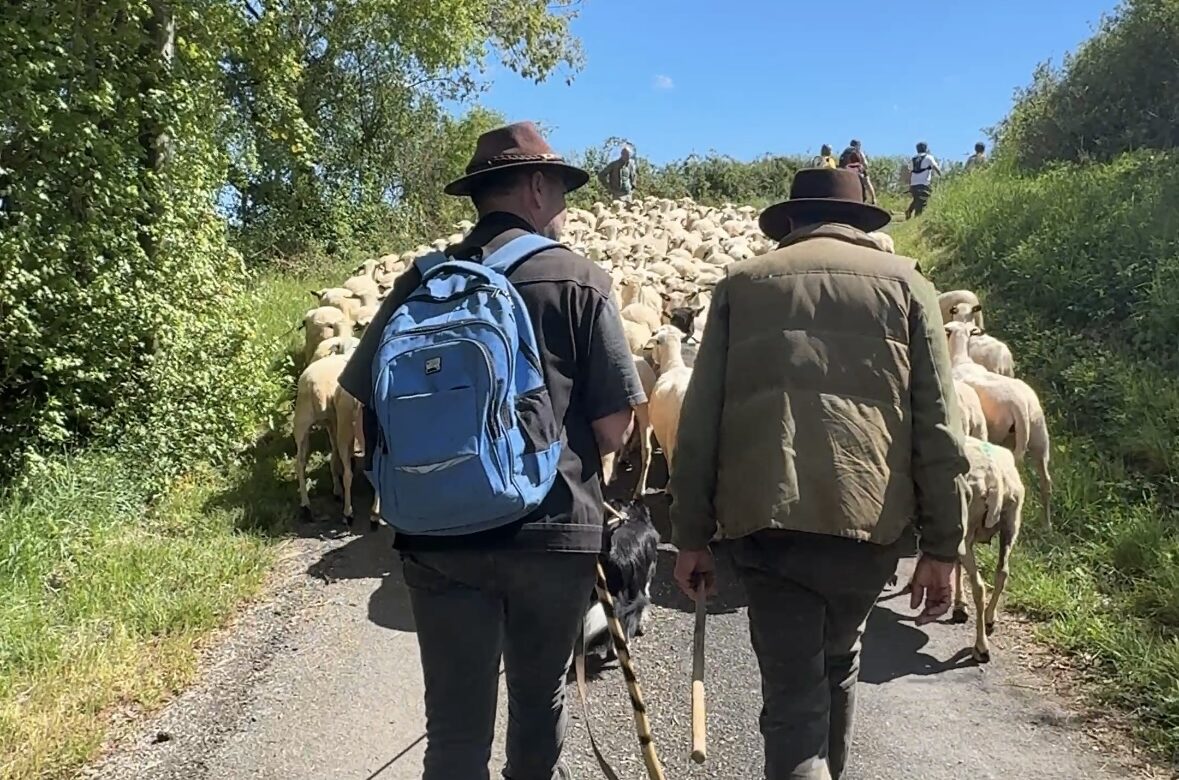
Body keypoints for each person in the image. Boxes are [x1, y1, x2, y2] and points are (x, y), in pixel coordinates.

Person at [338, 121, 646, 780]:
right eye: (558, 190)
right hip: (553, 531)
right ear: (534, 187)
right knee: (538, 705)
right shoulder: (580, 279)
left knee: (453, 727)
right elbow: (617, 428)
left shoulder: (419, 284)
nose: (562, 207)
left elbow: (369, 412)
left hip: (437, 537)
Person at [668, 166, 969, 780]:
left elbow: (698, 424)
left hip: (768, 526)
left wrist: (691, 535)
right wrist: (944, 545)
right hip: (870, 527)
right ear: (862, 223)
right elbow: (940, 426)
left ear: (791, 223)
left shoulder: (742, 284)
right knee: (840, 661)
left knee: (792, 703)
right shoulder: (908, 285)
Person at [906, 141, 943, 219]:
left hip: (914, 183)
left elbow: (910, 172)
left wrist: (910, 184)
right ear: (926, 149)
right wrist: (941, 175)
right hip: (924, 183)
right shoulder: (929, 157)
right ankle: (917, 218)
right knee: (922, 201)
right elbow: (935, 167)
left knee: (916, 199)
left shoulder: (913, 159)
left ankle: (909, 211)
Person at [837, 139, 877, 204]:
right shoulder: (859, 152)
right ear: (857, 145)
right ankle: (873, 199)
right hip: (858, 170)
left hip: (847, 171)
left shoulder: (846, 151)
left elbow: (841, 163)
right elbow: (866, 164)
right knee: (867, 182)